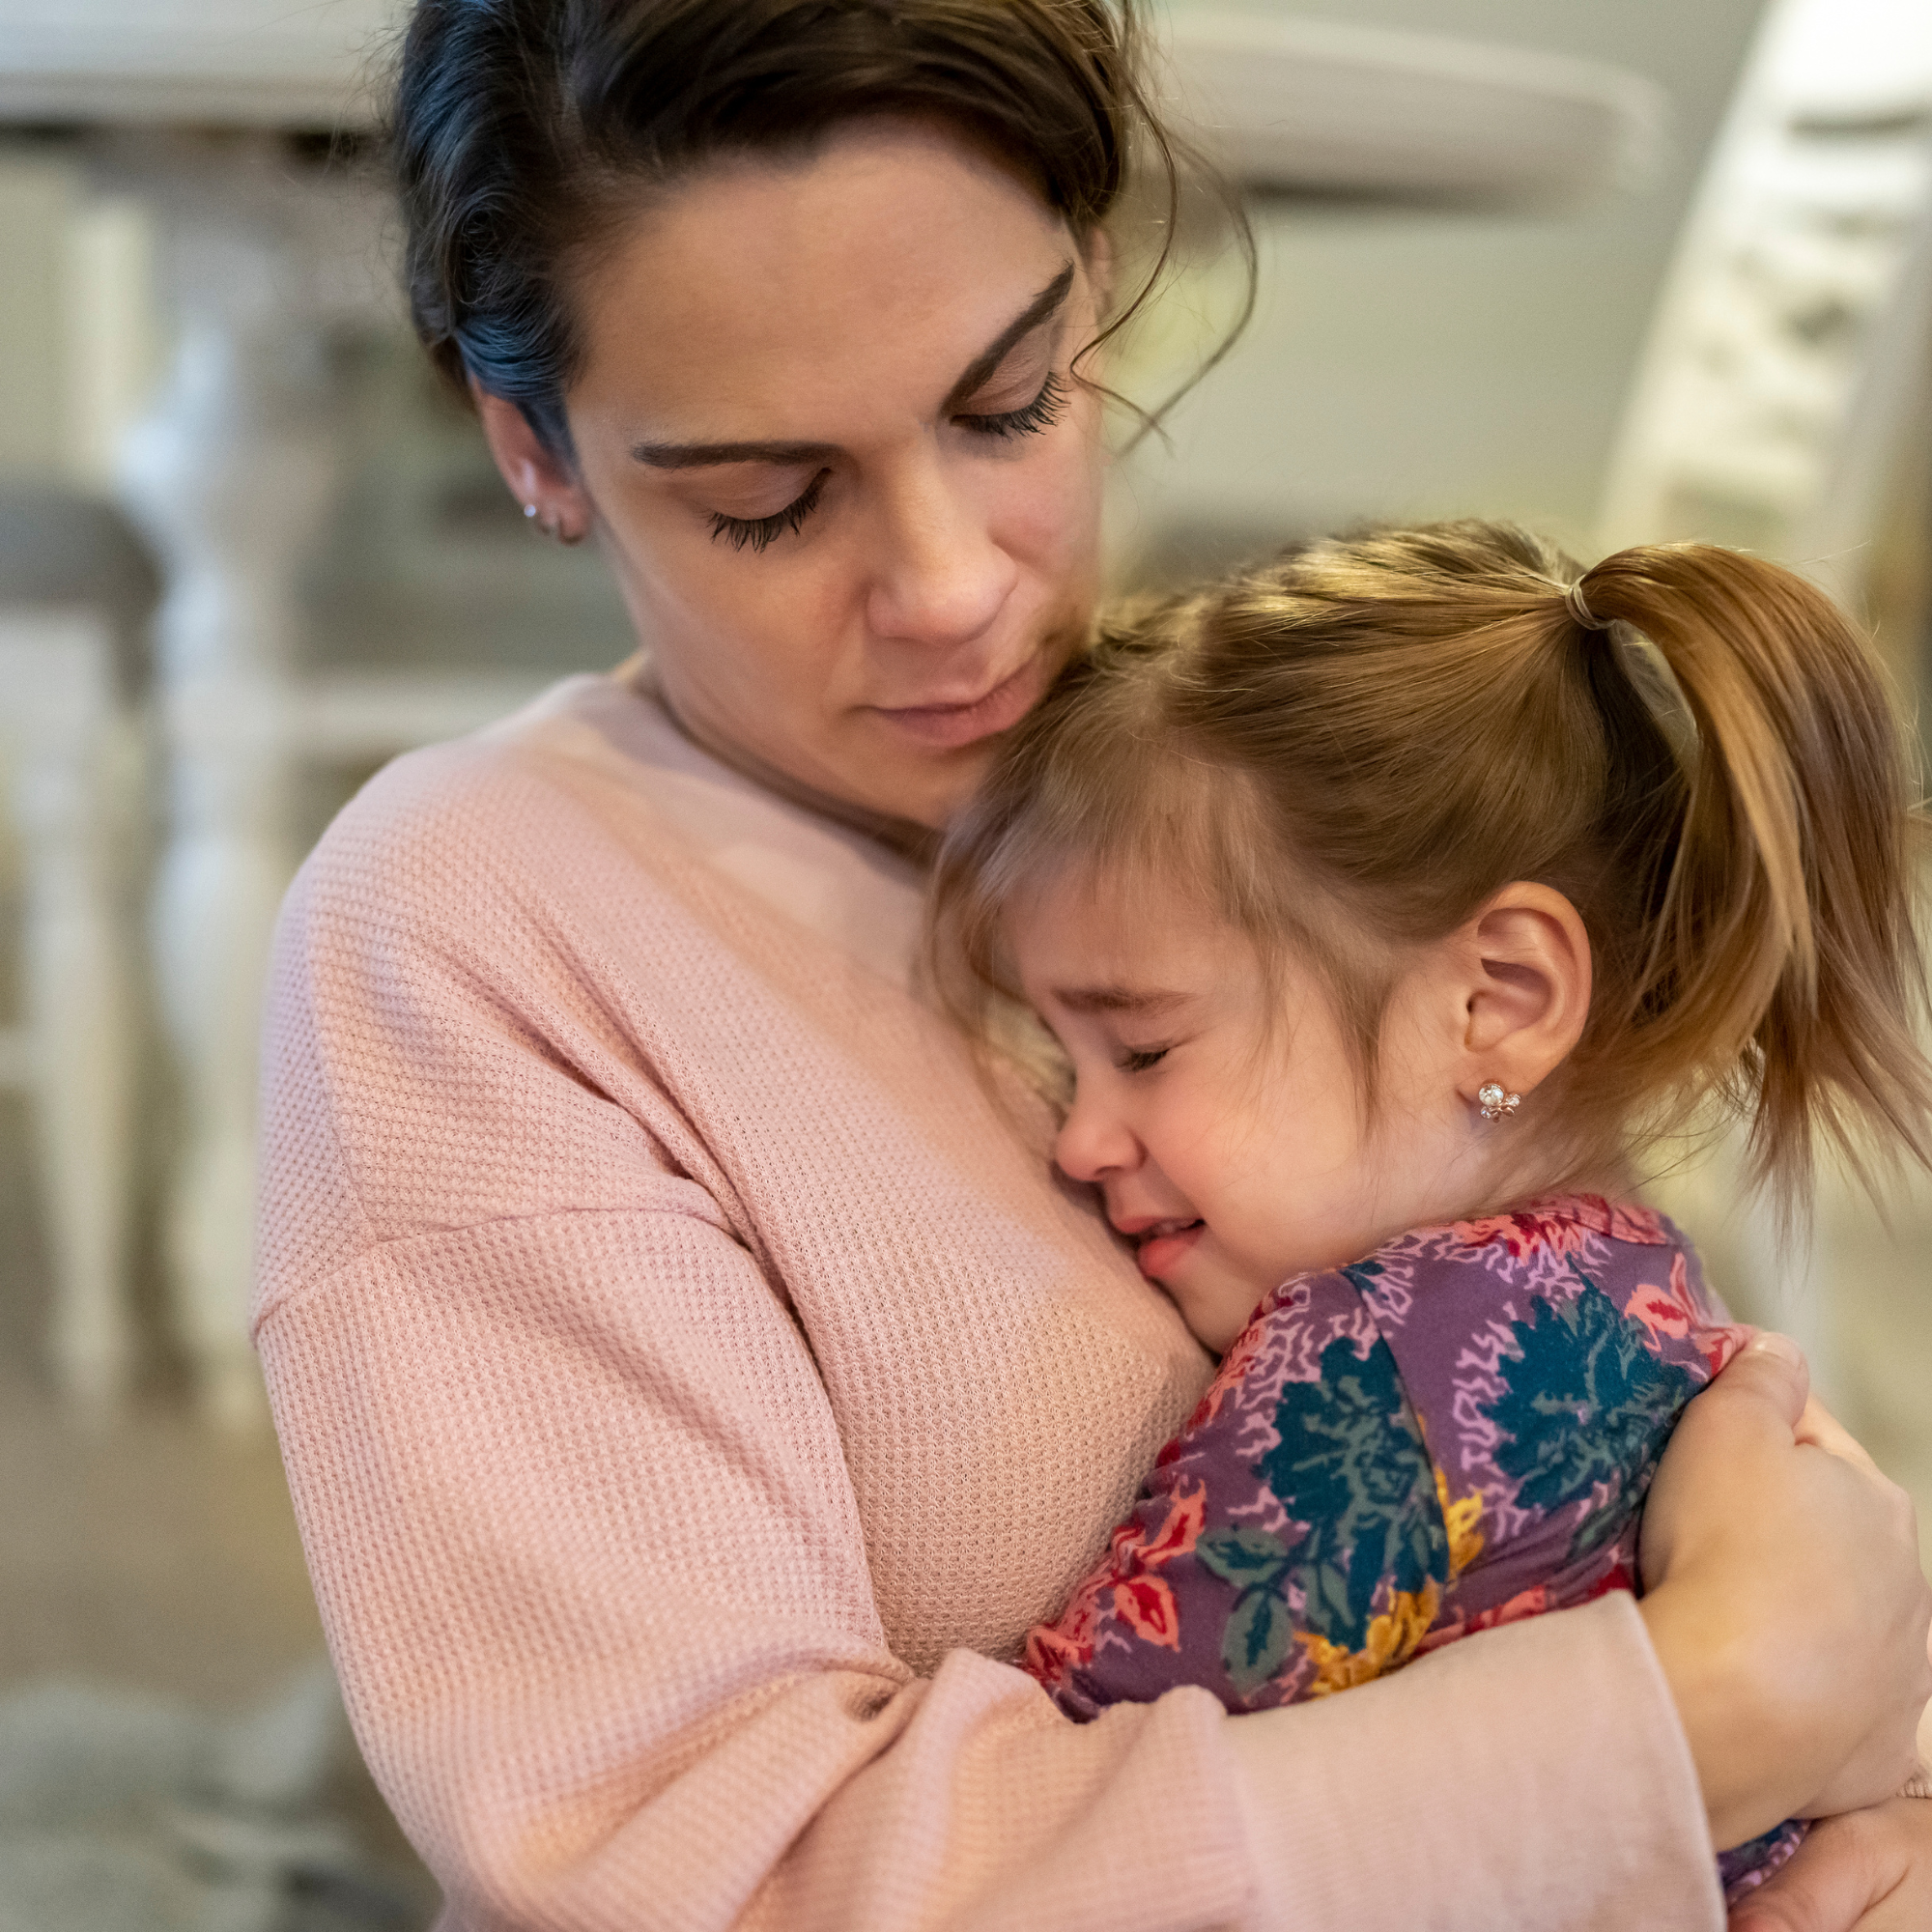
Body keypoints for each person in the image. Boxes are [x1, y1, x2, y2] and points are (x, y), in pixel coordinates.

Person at [254, 3, 1932, 1926]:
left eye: (1007, 404)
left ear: (1100, 290)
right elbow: (709, 1879)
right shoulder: (472, 928)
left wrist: (1872, 1795)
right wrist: (1696, 1722)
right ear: (534, 452)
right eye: (766, 500)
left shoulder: (1226, 797)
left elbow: (1641, 1444)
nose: (958, 586)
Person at [926, 521, 1932, 1912]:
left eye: (1143, 1049)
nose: (1080, 1138)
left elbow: (1067, 1828)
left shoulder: (1370, 1371)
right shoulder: (1645, 1288)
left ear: (1496, 1002)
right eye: (1060, 1060)